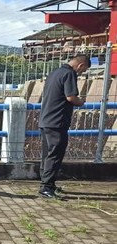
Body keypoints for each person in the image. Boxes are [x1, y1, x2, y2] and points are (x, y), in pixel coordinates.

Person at [38, 54, 90, 199]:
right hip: (57, 121)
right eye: (83, 70)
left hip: (46, 119)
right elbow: (71, 97)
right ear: (80, 65)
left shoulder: (55, 72)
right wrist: (81, 102)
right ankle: (46, 187)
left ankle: (48, 183)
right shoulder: (69, 74)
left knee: (47, 154)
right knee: (55, 155)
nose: (81, 73)